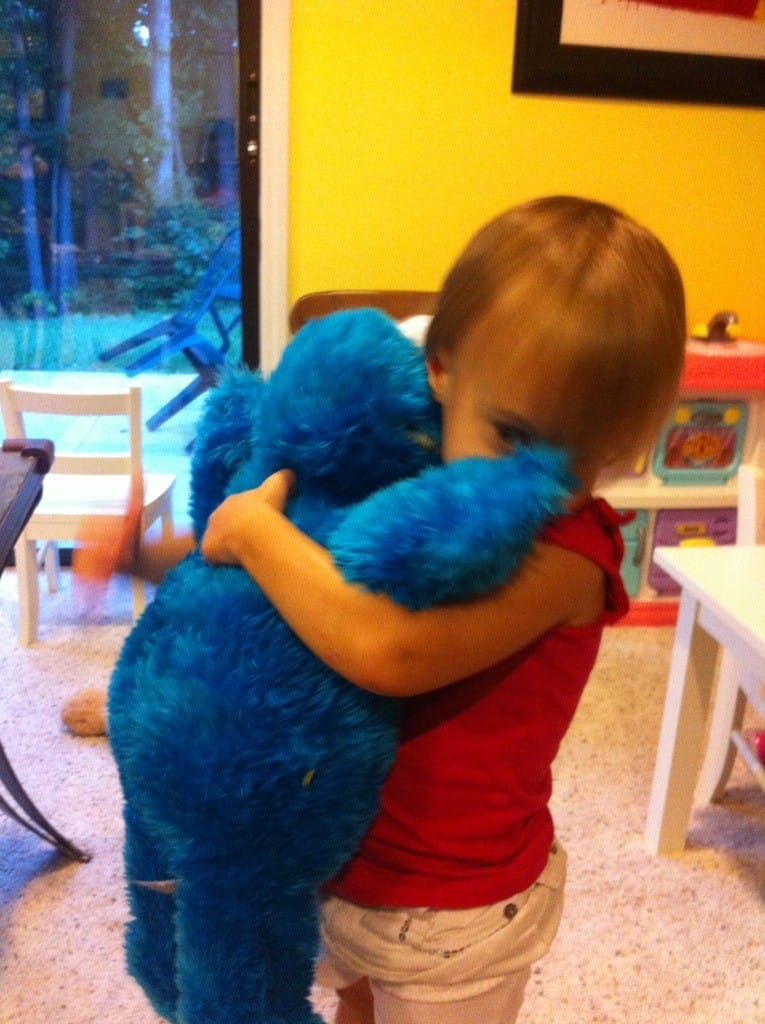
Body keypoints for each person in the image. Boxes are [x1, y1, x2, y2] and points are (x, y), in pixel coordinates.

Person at [78, 196, 687, 1023]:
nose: (537, 482)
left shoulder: (567, 552)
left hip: (454, 914)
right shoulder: (407, 462)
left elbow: (386, 650)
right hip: (336, 852)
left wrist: (253, 534)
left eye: (586, 455)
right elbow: (273, 548)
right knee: (349, 1003)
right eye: (513, 437)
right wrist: (146, 556)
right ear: (442, 370)